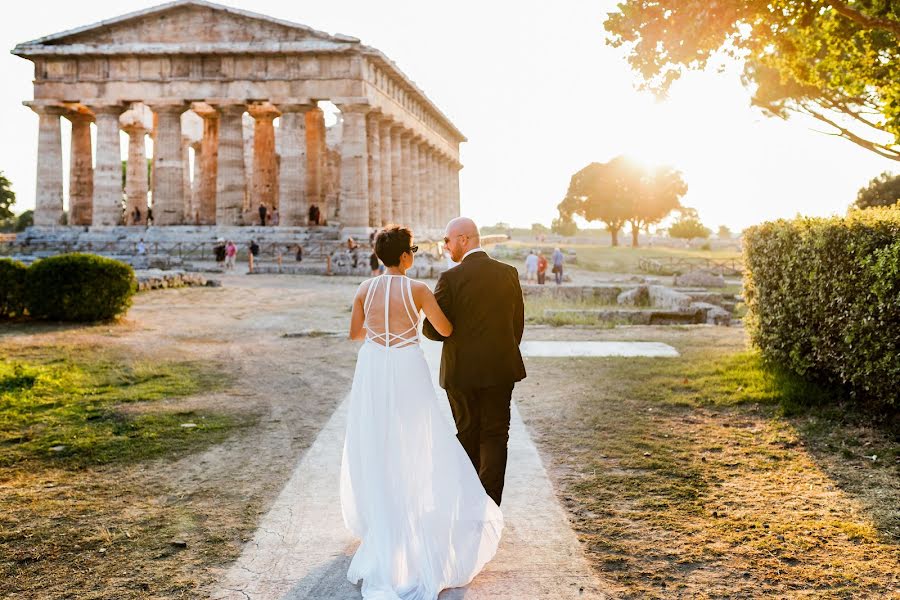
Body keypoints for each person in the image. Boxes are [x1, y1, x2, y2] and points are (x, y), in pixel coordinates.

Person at [342, 225, 502, 599]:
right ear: (405, 257)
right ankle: (415, 514)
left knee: (378, 439)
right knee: (417, 439)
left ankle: (385, 520)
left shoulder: (364, 289)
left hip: (374, 368)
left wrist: (381, 335)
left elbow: (355, 334)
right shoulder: (417, 290)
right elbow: (445, 329)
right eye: (412, 250)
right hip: (407, 367)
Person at [423, 217, 526, 507]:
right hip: (500, 368)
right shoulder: (509, 273)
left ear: (464, 240)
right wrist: (501, 351)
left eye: (447, 240)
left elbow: (433, 331)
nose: (445, 246)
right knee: (496, 436)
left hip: (461, 373)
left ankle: (467, 503)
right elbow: (517, 324)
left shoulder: (450, 279)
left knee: (467, 434)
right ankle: (490, 506)